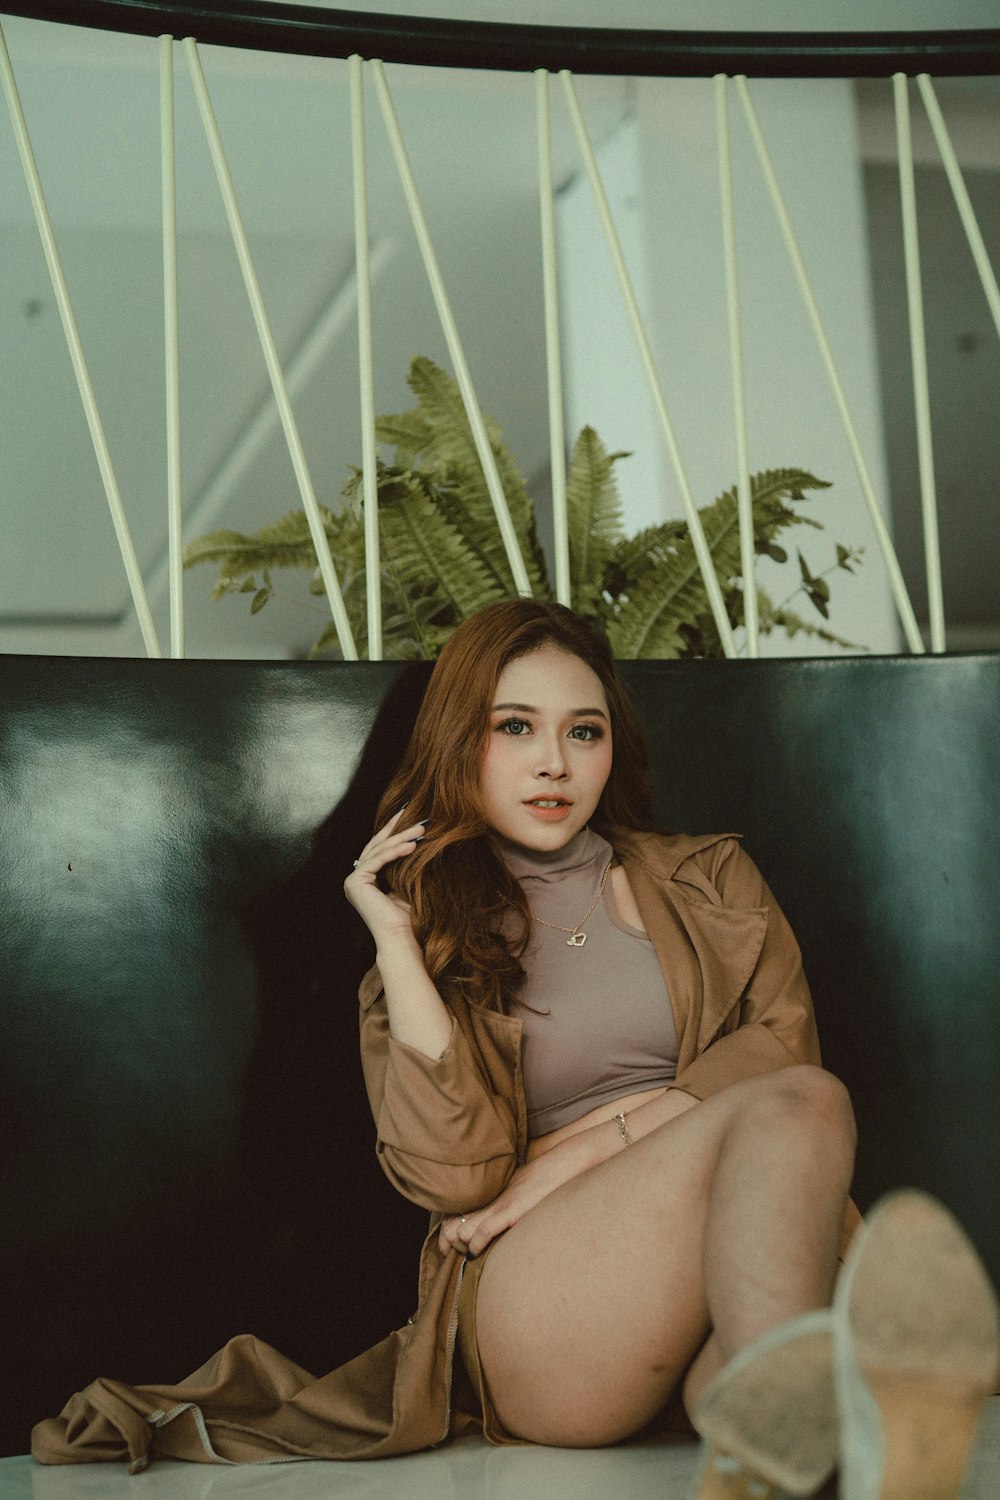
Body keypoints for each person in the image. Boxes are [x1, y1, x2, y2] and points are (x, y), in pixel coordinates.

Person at [32, 599, 998, 1498]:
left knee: (776, 1207)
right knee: (806, 1109)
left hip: (720, 1268)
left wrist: (569, 1156)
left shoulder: (710, 879)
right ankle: (843, 1383)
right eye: (515, 727)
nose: (554, 763)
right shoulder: (430, 941)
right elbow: (458, 1183)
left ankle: (783, 1443)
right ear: (464, 742)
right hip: (544, 1307)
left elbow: (781, 1048)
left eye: (584, 730)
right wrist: (396, 943)